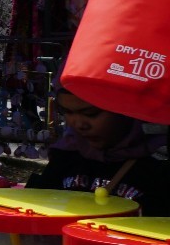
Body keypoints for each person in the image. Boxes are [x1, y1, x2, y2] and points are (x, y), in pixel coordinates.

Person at [29, 84, 170, 215]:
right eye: (68, 112)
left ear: (125, 110)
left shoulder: (158, 166)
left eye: (91, 113)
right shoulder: (66, 155)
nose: (78, 124)